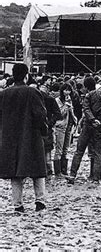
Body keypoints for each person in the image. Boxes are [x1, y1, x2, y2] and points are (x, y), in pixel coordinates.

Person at [0, 63, 48, 212]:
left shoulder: (3, 94)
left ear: (13, 75)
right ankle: (40, 201)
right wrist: (43, 130)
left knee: (15, 171)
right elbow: (40, 115)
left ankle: (17, 204)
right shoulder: (33, 92)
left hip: (10, 137)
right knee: (37, 169)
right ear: (27, 75)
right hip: (31, 135)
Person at [67, 74, 101, 184]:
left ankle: (72, 175)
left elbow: (85, 108)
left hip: (88, 125)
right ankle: (95, 179)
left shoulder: (91, 94)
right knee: (98, 153)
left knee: (79, 151)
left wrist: (92, 119)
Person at [53, 82, 77, 176]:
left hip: (69, 126)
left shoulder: (70, 100)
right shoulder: (57, 101)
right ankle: (57, 172)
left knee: (66, 149)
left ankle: (64, 170)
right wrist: (66, 106)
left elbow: (72, 113)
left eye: (69, 90)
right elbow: (60, 114)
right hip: (60, 126)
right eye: (65, 90)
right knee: (59, 149)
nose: (67, 92)